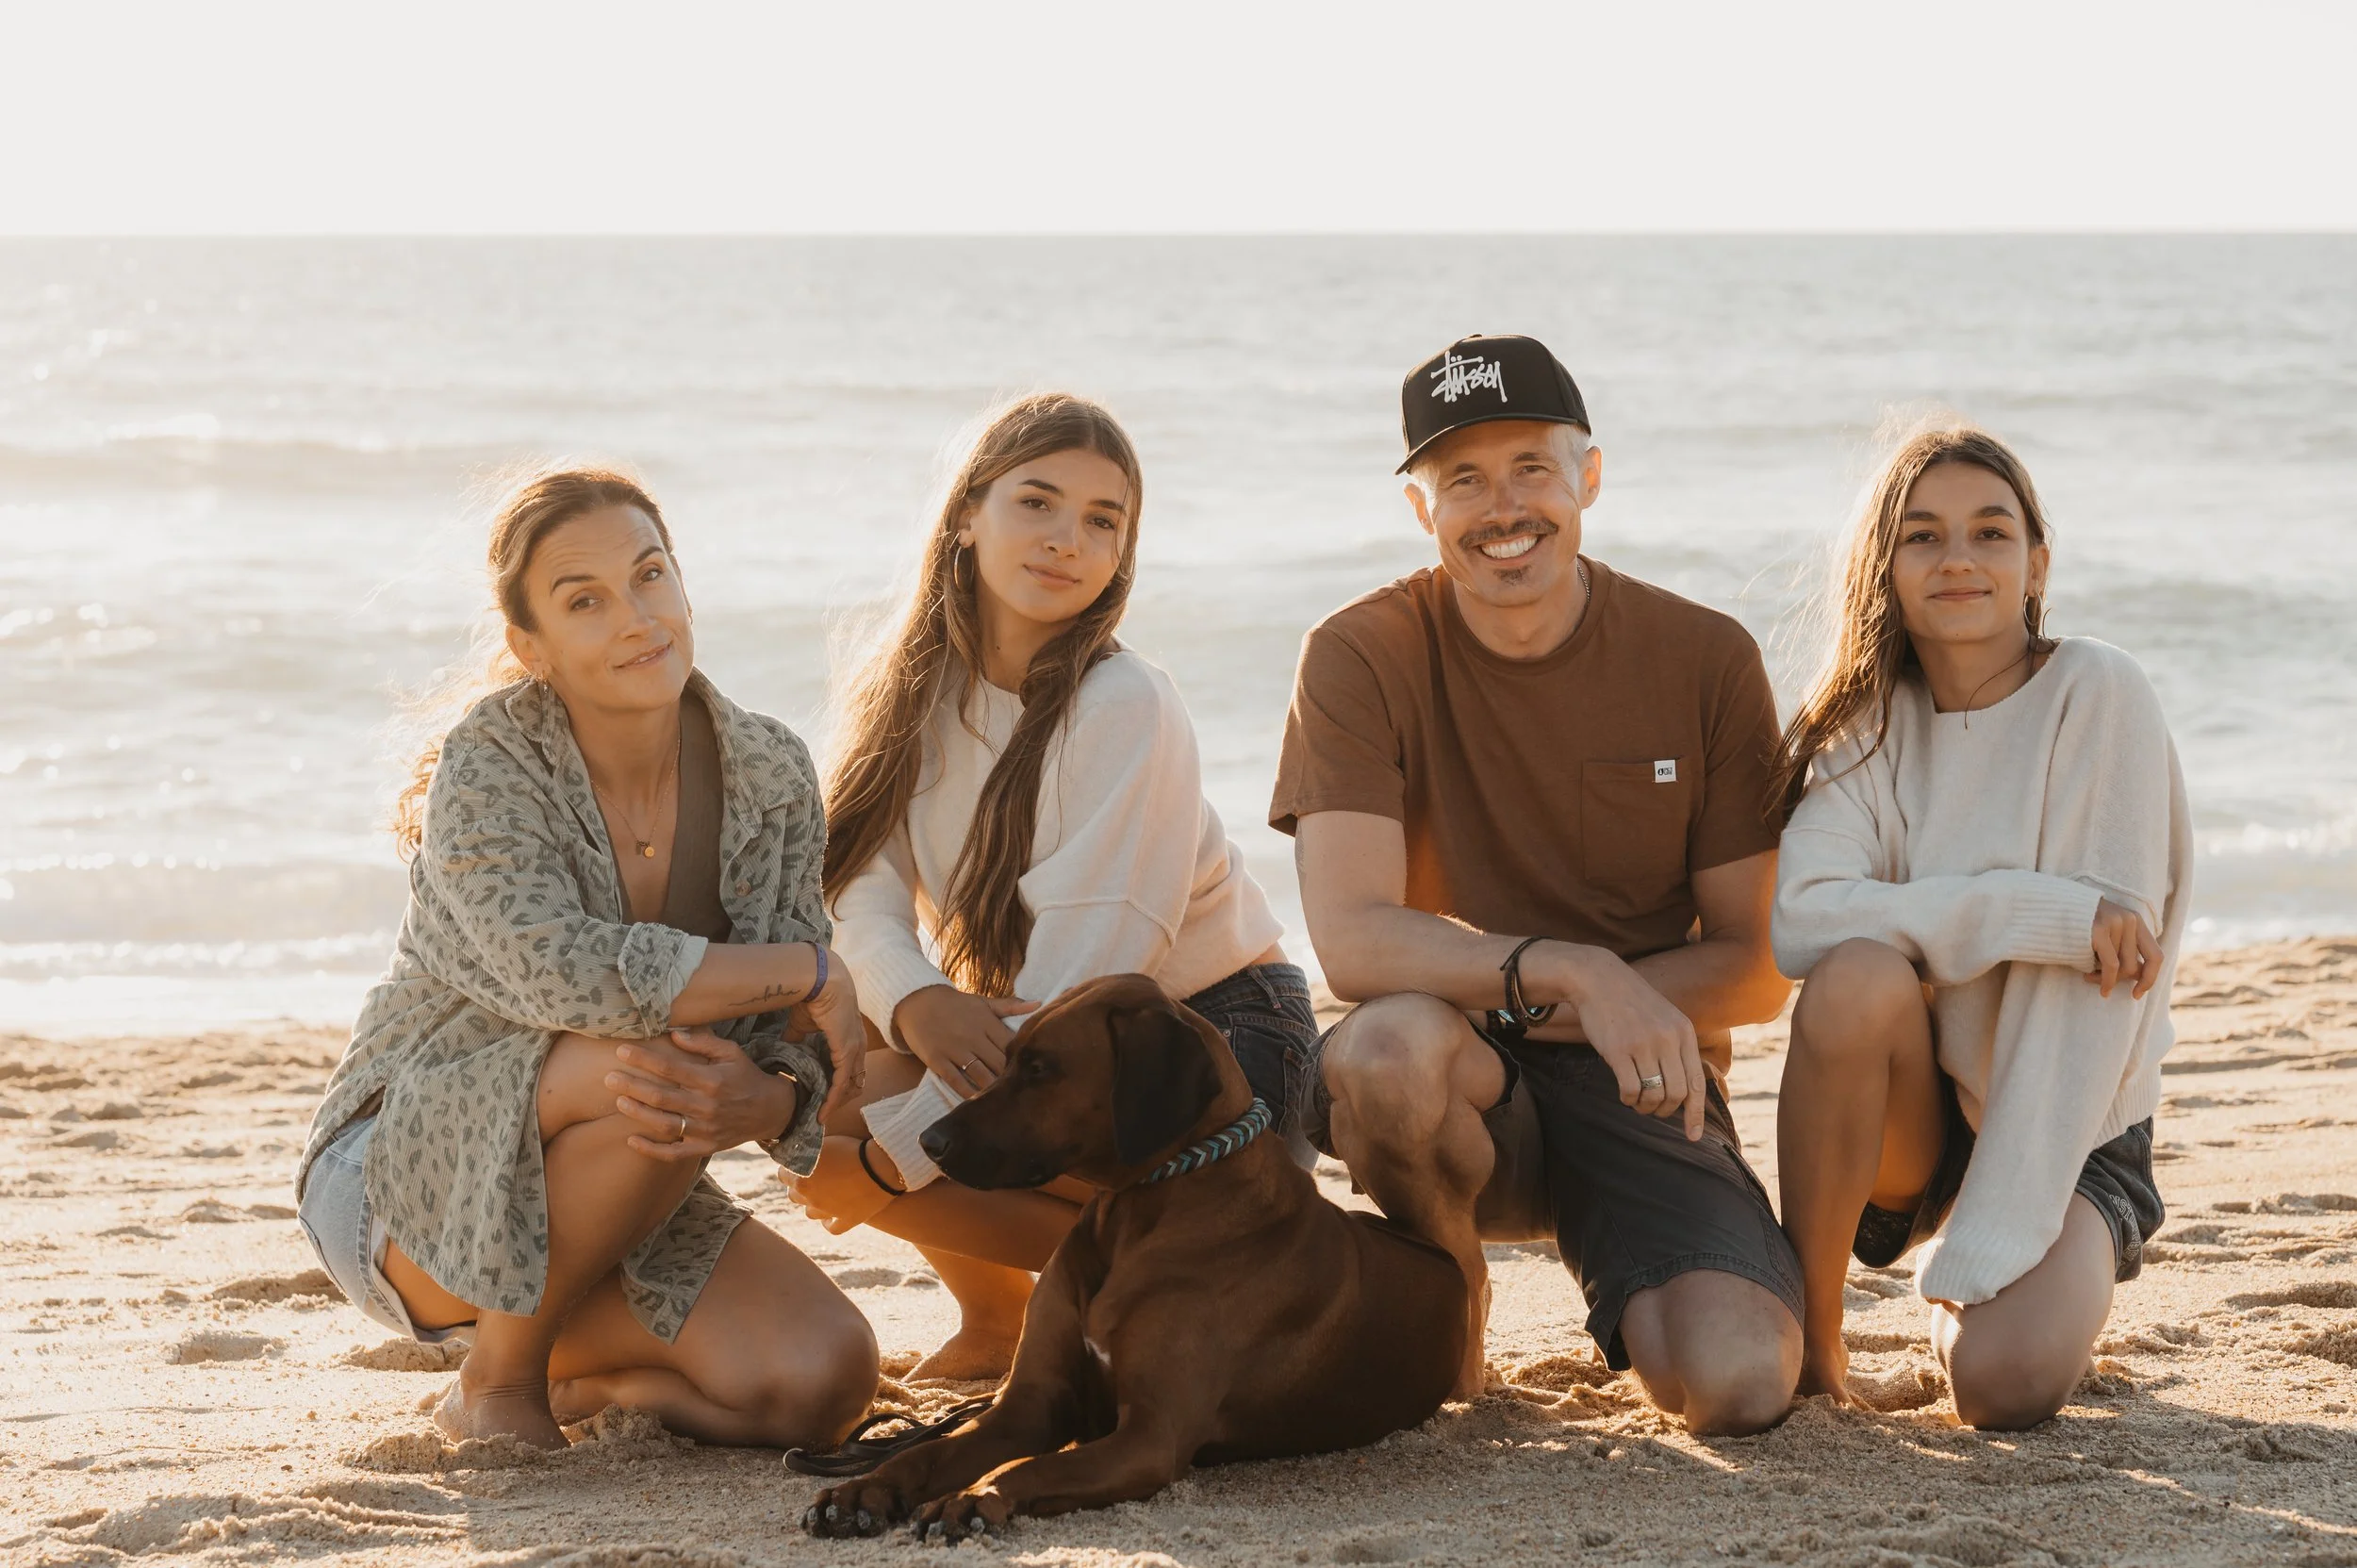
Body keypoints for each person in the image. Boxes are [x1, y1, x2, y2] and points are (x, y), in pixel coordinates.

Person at [1274, 335, 1802, 1433]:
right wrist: (1578, 973)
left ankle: (1637, 1250)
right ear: (1421, 508)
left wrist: (1599, 1005)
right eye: (1462, 478)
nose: (1501, 506)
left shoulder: (1703, 656)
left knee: (1740, 1382)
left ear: (1588, 477)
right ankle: (1448, 1289)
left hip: (1642, 1081)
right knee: (1382, 1049)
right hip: (1452, 1085)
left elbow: (1756, 967)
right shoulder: (1356, 653)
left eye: (1530, 468)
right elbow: (1354, 941)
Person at [296, 469, 879, 1450]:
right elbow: (569, 976)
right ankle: (498, 1381)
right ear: (532, 646)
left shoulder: (769, 769)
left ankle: (594, 1381)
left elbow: (787, 1040)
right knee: (658, 1061)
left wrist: (773, 1102)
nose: (636, 618)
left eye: (649, 575)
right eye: (584, 600)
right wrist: (813, 971)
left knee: (824, 1376)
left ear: (682, 583)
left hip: (619, 1169)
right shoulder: (492, 761)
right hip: (406, 1172)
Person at [787, 392, 1313, 1380]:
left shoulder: (1126, 702)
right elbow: (856, 887)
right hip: (1048, 1028)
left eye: (1102, 520)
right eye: (1036, 502)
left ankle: (1173, 1284)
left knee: (868, 1122)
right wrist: (917, 999)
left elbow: (1090, 974)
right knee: (813, 1061)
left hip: (1203, 1039)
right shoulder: (917, 694)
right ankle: (997, 1320)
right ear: (967, 514)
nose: (1068, 539)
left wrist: (890, 1167)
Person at [1771, 422, 2187, 1428]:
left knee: (1999, 1386)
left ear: (2036, 563)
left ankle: (2001, 1272)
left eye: (1990, 532)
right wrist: (2029, 913)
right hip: (1927, 1117)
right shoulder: (1864, 727)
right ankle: (1814, 1342)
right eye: (1922, 536)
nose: (1957, 558)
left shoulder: (2099, 693)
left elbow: (2096, 995)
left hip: (2073, 1121)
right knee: (1854, 976)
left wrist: (1994, 1232)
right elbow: (1802, 917)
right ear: (1885, 566)